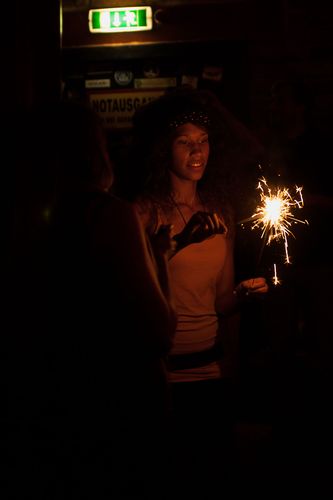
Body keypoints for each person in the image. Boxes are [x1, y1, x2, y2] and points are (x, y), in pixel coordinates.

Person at [7, 101, 177, 498]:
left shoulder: (26, 216)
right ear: (92, 149)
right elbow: (159, 331)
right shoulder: (107, 213)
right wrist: (160, 261)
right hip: (116, 408)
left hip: (53, 408)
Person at [127, 88, 269, 494]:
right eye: (184, 141)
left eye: (203, 140)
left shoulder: (219, 211)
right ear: (162, 149)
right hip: (163, 375)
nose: (197, 150)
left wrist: (243, 294)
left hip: (210, 372)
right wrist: (177, 245)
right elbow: (132, 291)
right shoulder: (144, 212)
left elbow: (221, 301)